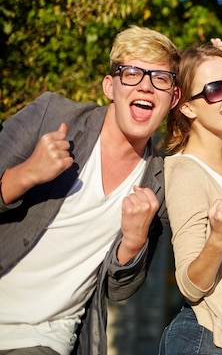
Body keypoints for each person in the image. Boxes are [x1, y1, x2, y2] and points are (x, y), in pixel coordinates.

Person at [0, 25, 181, 355]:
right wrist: (26, 174)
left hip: (42, 338)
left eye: (161, 78)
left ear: (174, 97)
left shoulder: (159, 184)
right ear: (110, 86)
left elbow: (118, 288)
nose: (146, 85)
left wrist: (135, 240)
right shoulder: (51, 116)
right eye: (132, 73)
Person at [158, 42, 222, 355]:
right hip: (204, 339)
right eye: (215, 90)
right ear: (187, 107)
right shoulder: (187, 173)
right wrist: (218, 240)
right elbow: (189, 285)